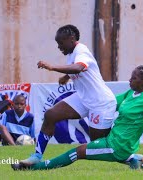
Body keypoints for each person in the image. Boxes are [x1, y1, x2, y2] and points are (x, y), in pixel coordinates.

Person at [12, 65, 143, 171]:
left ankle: (35, 168)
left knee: (77, 152)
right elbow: (106, 103)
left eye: (134, 77)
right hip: (113, 139)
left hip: (117, 146)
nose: (129, 79)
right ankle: (136, 160)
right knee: (91, 146)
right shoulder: (130, 93)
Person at [20, 24, 117, 165]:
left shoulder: (81, 50)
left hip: (101, 103)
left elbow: (79, 67)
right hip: (84, 98)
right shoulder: (72, 53)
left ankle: (133, 158)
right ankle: (36, 156)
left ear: (72, 39)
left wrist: (53, 67)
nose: (59, 47)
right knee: (50, 115)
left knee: (98, 147)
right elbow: (76, 67)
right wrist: (66, 77)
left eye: (61, 43)